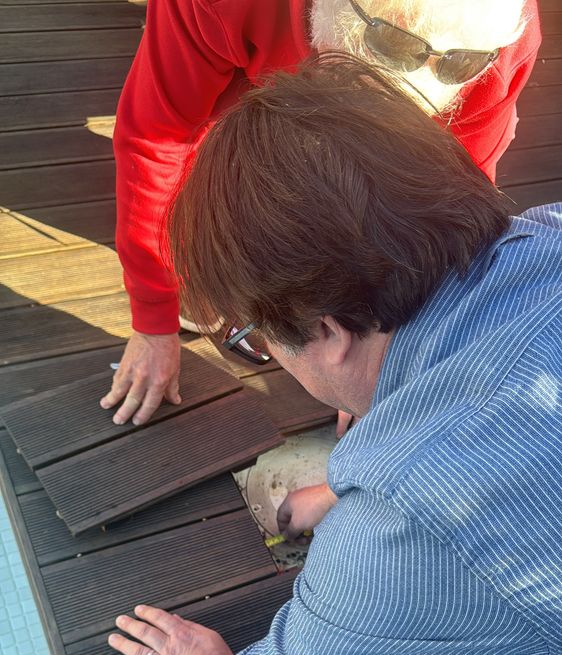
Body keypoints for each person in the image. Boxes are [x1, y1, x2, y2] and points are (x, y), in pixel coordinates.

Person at [108, 58, 562, 655]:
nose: (258, 355)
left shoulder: (406, 529)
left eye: (248, 339)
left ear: (324, 328)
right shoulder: (551, 231)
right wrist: (354, 496)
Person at [102, 0, 541, 428]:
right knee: (218, 167)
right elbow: (156, 139)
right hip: (245, 38)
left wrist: (373, 368)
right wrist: (153, 319)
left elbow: (455, 202)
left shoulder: (498, 34)